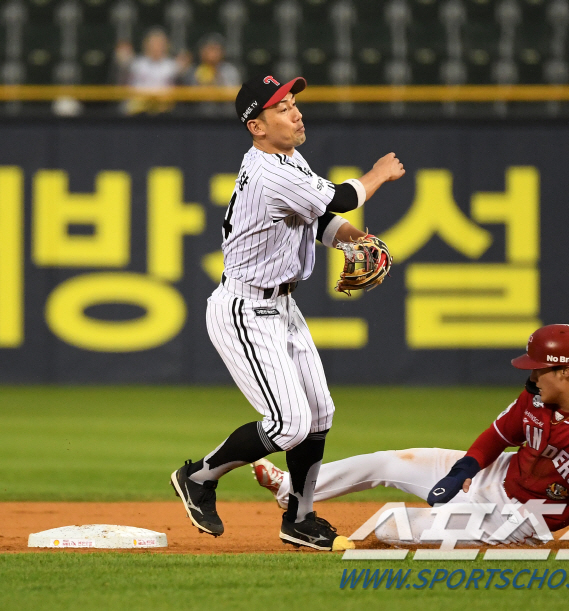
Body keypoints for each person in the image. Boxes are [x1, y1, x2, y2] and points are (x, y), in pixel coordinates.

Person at [170, 74, 405, 551]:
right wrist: (378, 173)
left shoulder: (288, 159)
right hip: (244, 306)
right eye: (282, 108)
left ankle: (298, 518)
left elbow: (318, 217)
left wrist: (352, 240)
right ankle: (199, 476)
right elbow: (341, 199)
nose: (296, 113)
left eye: (295, 103)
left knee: (319, 414)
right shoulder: (269, 171)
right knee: (288, 423)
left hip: (281, 304)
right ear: (256, 125)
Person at [251, 324, 569, 547]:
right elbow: (496, 435)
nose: (531, 377)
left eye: (539, 370)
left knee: (396, 528)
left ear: (568, 371)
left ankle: (342, 545)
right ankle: (292, 490)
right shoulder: (537, 398)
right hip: (495, 479)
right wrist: (464, 469)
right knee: (388, 462)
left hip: (523, 521)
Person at [122, 27, 191, 114]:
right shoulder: (137, 64)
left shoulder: (172, 66)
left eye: (159, 44)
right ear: (146, 45)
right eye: (153, 44)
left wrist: (185, 65)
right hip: (140, 109)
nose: (156, 47)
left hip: (165, 109)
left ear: (166, 46)